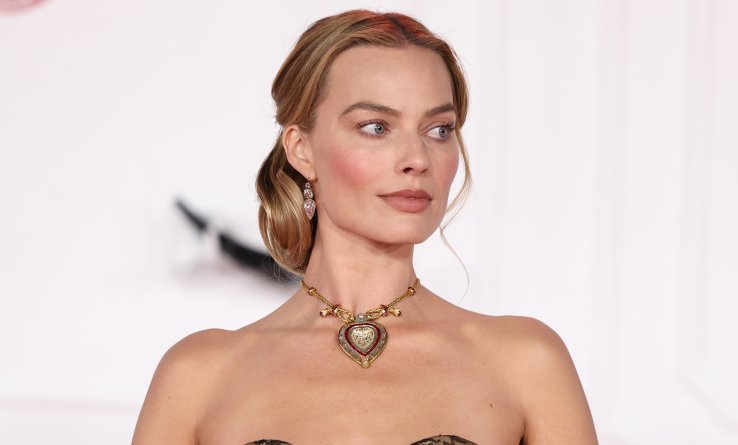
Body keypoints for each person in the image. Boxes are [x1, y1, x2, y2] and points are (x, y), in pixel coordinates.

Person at [132, 9, 598, 445]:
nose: (417, 160)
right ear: (301, 149)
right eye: (376, 127)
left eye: (439, 129)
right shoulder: (197, 377)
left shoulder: (527, 363)